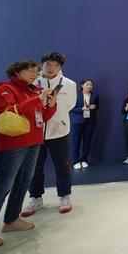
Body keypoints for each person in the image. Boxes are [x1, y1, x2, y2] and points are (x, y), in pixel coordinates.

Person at [0, 60, 57, 249]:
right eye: (31, 70)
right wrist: (37, 99)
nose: (34, 74)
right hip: (14, 144)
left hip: (34, 142)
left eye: (36, 72)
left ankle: (12, 219)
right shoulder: (5, 89)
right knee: (3, 186)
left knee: (23, 183)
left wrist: (50, 105)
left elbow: (41, 118)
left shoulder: (33, 91)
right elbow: (7, 113)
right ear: (17, 71)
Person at [22, 52, 77, 217]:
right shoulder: (32, 82)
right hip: (35, 132)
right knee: (34, 167)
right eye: (48, 64)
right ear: (41, 65)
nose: (51, 68)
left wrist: (56, 119)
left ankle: (64, 196)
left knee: (62, 166)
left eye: (56, 66)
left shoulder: (69, 84)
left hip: (59, 131)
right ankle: (36, 198)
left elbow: (70, 105)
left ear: (61, 67)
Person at [70, 79, 99, 169]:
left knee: (87, 141)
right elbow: (71, 108)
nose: (89, 86)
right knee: (76, 142)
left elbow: (98, 105)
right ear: (82, 85)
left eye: (91, 85)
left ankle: (84, 160)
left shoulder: (95, 95)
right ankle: (75, 161)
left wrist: (94, 106)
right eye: (87, 84)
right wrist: (81, 109)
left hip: (90, 121)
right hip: (78, 121)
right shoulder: (76, 95)